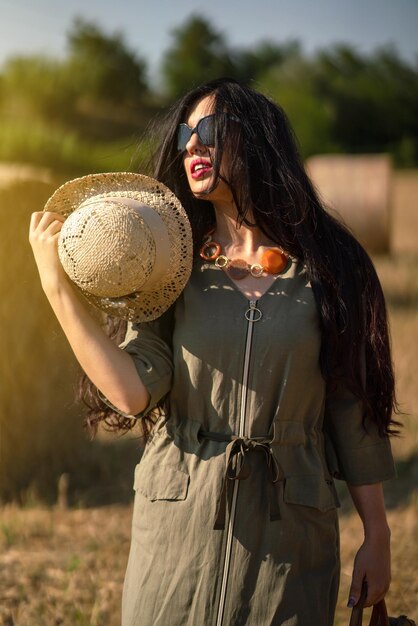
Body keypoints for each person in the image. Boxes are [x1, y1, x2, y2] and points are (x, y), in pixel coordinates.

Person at [29, 78, 398, 626]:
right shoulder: (168, 269)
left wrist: (378, 534)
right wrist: (56, 288)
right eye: (184, 134)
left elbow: (351, 410)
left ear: (258, 139)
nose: (191, 146)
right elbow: (131, 393)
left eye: (209, 130)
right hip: (176, 524)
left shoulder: (329, 270)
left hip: (291, 536)